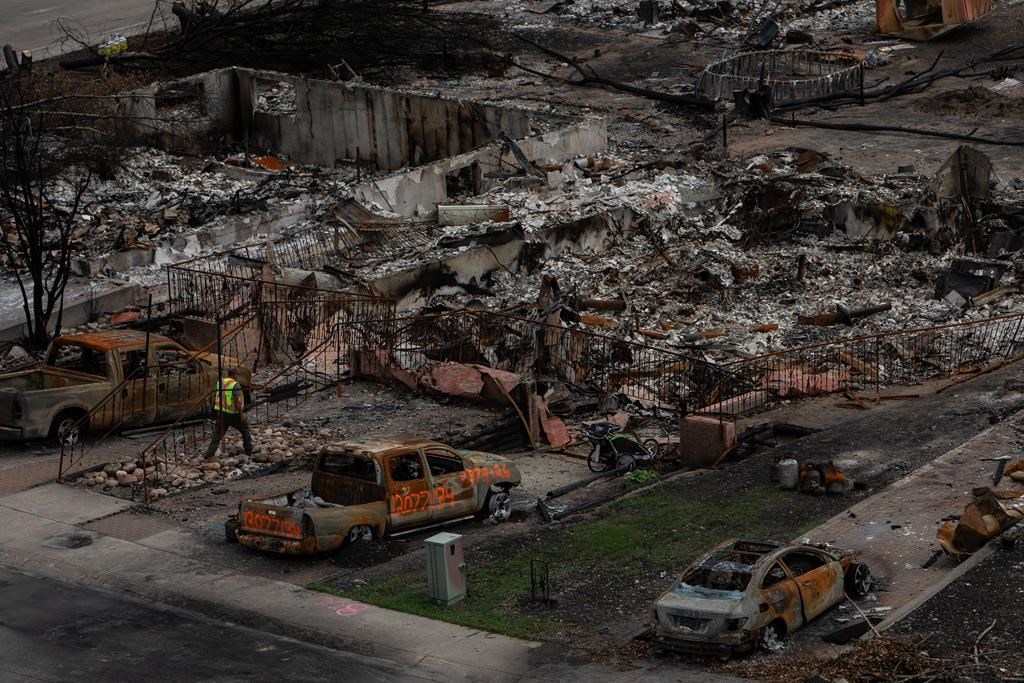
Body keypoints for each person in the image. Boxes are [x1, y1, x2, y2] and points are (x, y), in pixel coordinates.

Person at [204, 367, 253, 461]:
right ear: (234, 375)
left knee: (217, 434)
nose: (239, 377)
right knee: (245, 430)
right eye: (238, 375)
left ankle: (209, 453)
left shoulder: (221, 382)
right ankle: (248, 451)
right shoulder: (235, 385)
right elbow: (238, 401)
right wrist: (241, 414)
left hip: (221, 412)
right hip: (233, 413)